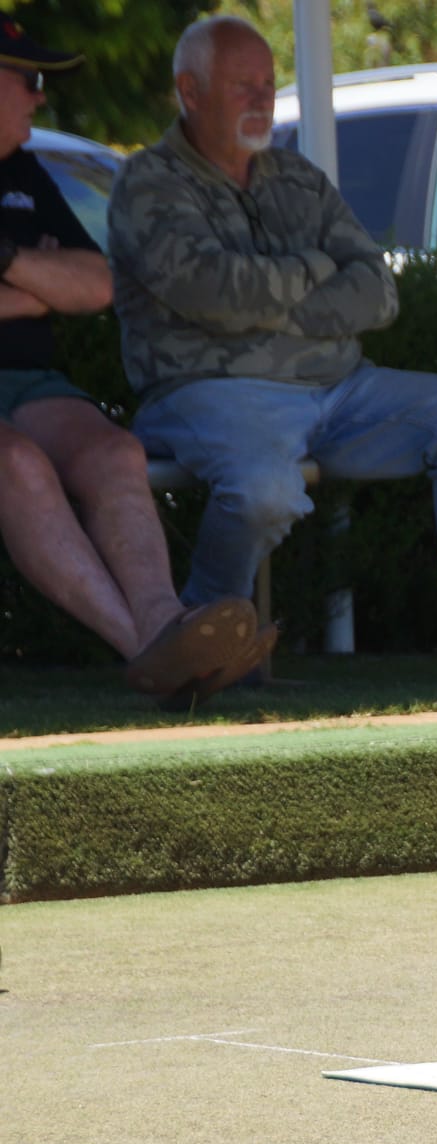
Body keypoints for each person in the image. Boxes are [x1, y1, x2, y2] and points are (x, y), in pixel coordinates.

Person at [105, 15, 437, 683]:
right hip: (212, 391)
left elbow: (378, 290)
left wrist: (268, 307)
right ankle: (199, 641)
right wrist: (313, 268)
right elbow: (212, 292)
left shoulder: (296, 177)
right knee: (262, 490)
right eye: (243, 85)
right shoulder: (149, 183)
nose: (262, 98)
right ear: (189, 92)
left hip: (339, 389)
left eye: (268, 83)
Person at [0, 19, 266, 703]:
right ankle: (151, 650)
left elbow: (97, 285)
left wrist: (8, 262)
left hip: (29, 384)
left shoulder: (22, 170)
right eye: (28, 80)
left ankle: (163, 624)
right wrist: (41, 283)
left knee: (117, 453)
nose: (40, 96)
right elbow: (66, 287)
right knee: (19, 465)